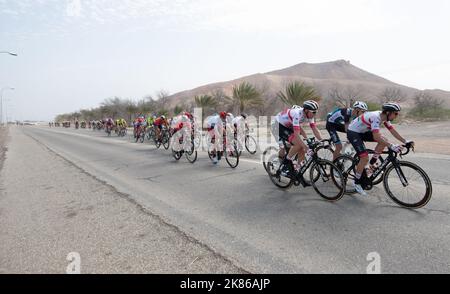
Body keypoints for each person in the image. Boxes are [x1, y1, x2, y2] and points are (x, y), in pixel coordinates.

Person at [347, 102, 414, 196]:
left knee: (384, 140)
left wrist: (405, 141)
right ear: (388, 113)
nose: (396, 116)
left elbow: (392, 131)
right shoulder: (375, 117)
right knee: (364, 157)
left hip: (363, 131)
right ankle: (357, 182)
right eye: (395, 113)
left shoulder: (384, 117)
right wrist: (391, 146)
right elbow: (376, 137)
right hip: (353, 132)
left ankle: (370, 166)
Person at [271, 100, 323, 177]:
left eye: (316, 112)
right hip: (278, 126)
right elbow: (297, 134)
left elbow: (314, 129)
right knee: (291, 146)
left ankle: (298, 168)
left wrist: (321, 141)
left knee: (301, 146)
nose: (315, 114)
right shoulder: (297, 114)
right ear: (306, 110)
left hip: (288, 126)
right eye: (313, 112)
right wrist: (306, 147)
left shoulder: (309, 115)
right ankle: (284, 164)